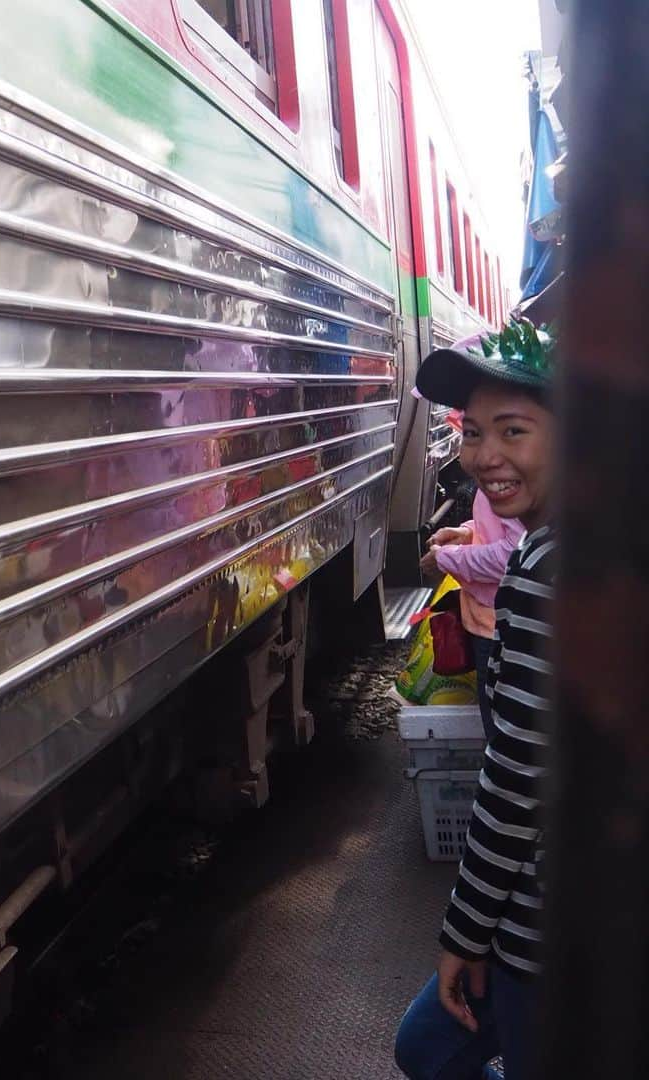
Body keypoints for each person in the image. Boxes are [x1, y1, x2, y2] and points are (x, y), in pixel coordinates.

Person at [394, 319, 556, 1080]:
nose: (485, 456)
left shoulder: (549, 569)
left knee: (428, 1046)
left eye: (513, 430)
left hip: (546, 929)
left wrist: (466, 933)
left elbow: (517, 781)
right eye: (474, 432)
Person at [420, 481, 524, 740]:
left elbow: (512, 554)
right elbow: (507, 530)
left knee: (504, 740)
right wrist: (466, 533)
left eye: (473, 437)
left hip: (500, 628)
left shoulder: (510, 471)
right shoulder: (513, 463)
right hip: (497, 622)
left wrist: (447, 558)